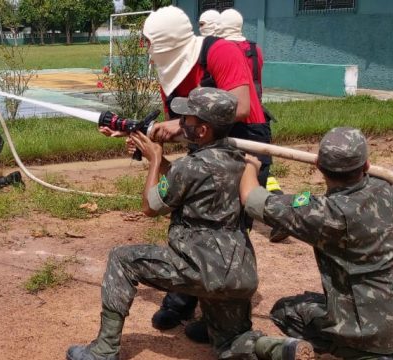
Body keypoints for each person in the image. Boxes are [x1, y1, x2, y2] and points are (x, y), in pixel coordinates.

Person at [67, 88, 312, 360]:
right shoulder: (238, 160)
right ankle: (281, 349)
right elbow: (185, 182)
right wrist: (153, 157)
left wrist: (156, 159)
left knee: (121, 259)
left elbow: (150, 206)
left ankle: (103, 351)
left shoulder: (192, 165)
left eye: (188, 121)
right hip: (238, 272)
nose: (181, 124)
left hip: (200, 268)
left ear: (203, 130)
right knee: (231, 343)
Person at [97, 5, 265, 341]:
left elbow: (241, 105)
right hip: (203, 144)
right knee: (191, 217)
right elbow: (178, 126)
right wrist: (144, 134)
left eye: (149, 42)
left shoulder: (219, 51)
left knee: (226, 225)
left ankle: (216, 310)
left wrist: (173, 128)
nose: (146, 50)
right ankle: (189, 302)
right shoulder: (169, 71)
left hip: (243, 143)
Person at [238, 127, 393, 360]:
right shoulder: (384, 187)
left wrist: (251, 164)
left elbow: (251, 197)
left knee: (286, 312)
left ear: (318, 165)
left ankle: (362, 352)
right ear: (366, 165)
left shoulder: (326, 214)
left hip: (368, 327)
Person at [216, 8, 289, 243]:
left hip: (237, 119)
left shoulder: (224, 51)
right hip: (259, 120)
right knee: (258, 172)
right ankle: (281, 215)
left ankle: (240, 234)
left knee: (240, 180)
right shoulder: (255, 49)